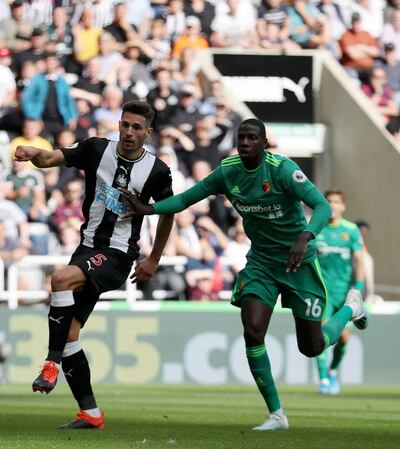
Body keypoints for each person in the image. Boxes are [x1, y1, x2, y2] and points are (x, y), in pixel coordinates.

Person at [117, 118, 368, 430]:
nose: (246, 143)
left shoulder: (283, 169)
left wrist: (305, 238)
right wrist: (149, 209)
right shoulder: (229, 170)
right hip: (262, 261)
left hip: (298, 261)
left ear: (263, 143)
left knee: (312, 347)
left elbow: (321, 207)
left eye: (252, 138)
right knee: (252, 330)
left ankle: (352, 307)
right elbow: (186, 198)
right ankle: (276, 413)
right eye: (241, 138)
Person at [13, 101, 175, 429]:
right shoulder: (96, 149)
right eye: (125, 125)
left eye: (136, 128)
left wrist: (154, 259)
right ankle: (90, 412)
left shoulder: (157, 171)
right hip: (86, 248)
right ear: (119, 125)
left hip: (116, 254)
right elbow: (50, 159)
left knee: (60, 279)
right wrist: (31, 151)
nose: (129, 132)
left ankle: (50, 363)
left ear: (148, 132)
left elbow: (169, 211)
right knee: (70, 334)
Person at [314, 189, 366, 395]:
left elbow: (360, 258)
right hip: (321, 292)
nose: (333, 205)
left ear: (342, 206)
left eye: (336, 202)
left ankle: (333, 371)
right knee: (320, 334)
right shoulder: (316, 229)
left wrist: (359, 287)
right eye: (329, 202)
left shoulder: (351, 230)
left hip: (344, 293)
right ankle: (324, 380)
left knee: (343, 338)